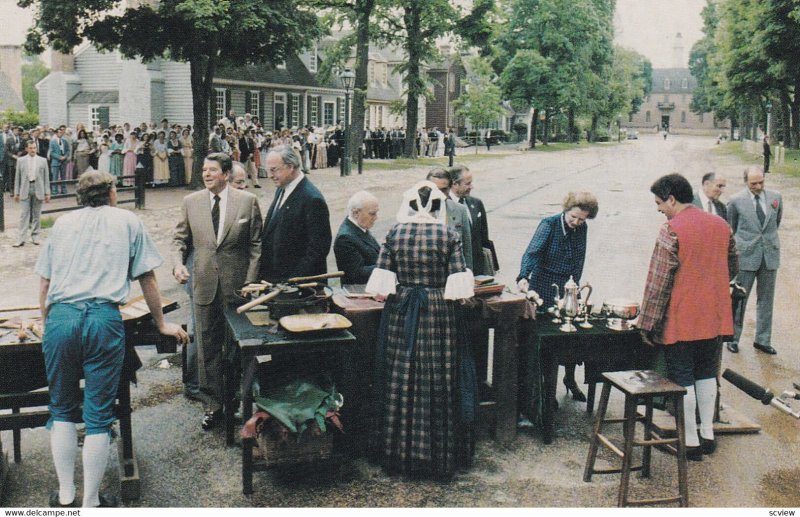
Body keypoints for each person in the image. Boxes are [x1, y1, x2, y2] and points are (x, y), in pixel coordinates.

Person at [36, 170, 188, 507]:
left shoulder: (62, 224)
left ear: (80, 196)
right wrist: (161, 323)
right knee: (99, 414)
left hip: (62, 317)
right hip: (103, 319)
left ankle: (65, 497)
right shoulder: (128, 221)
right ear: (112, 192)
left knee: (61, 408)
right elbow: (147, 277)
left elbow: (45, 283)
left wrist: (49, 324)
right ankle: (91, 503)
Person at [365, 180, 475, 479]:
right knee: (436, 376)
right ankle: (435, 456)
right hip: (438, 311)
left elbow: (382, 282)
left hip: (401, 310)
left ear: (411, 205)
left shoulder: (395, 233)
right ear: (437, 207)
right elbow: (459, 284)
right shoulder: (448, 235)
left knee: (400, 375)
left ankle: (398, 452)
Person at [638, 173, 737, 461]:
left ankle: (690, 441)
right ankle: (707, 434)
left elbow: (658, 283)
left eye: (659, 203)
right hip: (715, 316)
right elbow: (733, 265)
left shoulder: (671, 229)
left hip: (682, 317)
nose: (659, 209)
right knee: (706, 374)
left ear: (671, 199)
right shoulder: (721, 225)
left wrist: (647, 323)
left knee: (683, 378)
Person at [172, 153, 262, 430]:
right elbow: (179, 239)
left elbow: (256, 245)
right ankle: (213, 405)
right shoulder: (191, 202)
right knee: (207, 348)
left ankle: (237, 401)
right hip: (203, 286)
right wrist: (177, 264)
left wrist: (250, 282)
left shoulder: (247, 201)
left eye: (212, 170)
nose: (206, 174)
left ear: (226, 174)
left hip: (237, 288)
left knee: (236, 348)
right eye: (204, 170)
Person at [517, 192, 599, 402]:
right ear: (566, 209)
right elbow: (532, 253)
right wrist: (523, 276)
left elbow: (579, 259)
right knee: (549, 339)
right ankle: (547, 389)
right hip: (544, 284)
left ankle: (569, 379)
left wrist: (575, 289)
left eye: (582, 219)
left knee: (572, 335)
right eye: (574, 217)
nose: (577, 222)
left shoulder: (582, 228)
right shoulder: (549, 225)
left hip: (568, 286)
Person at [726, 165, 782, 355]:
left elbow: (776, 223)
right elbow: (731, 228)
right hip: (746, 256)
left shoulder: (776, 197)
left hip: (769, 255)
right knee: (739, 298)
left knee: (766, 300)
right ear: (745, 182)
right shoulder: (735, 201)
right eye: (753, 184)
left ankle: (763, 340)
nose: (758, 187)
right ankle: (732, 338)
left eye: (761, 182)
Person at [259, 144, 331, 282]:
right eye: (269, 170)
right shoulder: (282, 188)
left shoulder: (312, 199)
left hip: (298, 286)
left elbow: (318, 249)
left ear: (290, 167)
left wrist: (292, 281)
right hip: (277, 281)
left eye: (274, 170)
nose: (270, 176)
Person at [449, 165, 494, 276]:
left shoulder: (477, 203)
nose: (471, 187)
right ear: (454, 184)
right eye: (467, 184)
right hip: (454, 271)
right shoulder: (445, 205)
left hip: (476, 270)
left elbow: (484, 239)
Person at [426, 168, 474, 270]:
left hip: (453, 272)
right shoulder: (415, 211)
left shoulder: (460, 210)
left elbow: (467, 250)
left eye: (443, 190)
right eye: (435, 189)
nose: (439, 194)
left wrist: (468, 273)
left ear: (450, 188)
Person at [333, 190, 381, 285]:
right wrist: (387, 265)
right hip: (358, 290)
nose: (376, 218)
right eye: (372, 214)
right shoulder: (345, 239)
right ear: (355, 213)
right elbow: (357, 274)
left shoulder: (359, 226)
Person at [12, 140, 50, 247]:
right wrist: (16, 192)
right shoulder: (21, 161)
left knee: (36, 214)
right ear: (26, 149)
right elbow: (17, 178)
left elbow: (46, 178)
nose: (33, 150)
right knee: (24, 214)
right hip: (25, 188)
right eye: (30, 148)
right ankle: (21, 238)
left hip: (38, 188)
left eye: (34, 148)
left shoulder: (43, 161)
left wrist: (47, 193)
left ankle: (35, 236)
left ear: (36, 148)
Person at [48, 126, 70, 195]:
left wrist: (65, 156)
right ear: (56, 133)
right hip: (56, 161)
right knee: (55, 176)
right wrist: (58, 157)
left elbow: (68, 150)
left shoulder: (65, 141)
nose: (61, 134)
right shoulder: (52, 141)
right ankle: (54, 190)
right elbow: (51, 152)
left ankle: (64, 189)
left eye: (61, 132)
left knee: (63, 176)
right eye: (59, 132)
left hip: (63, 160)